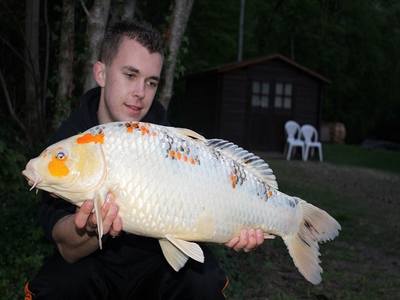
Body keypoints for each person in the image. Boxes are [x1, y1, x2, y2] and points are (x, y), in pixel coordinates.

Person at [25, 20, 265, 299]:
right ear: (101, 73)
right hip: (94, 265)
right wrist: (92, 226)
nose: (140, 92)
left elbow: (206, 206)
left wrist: (239, 223)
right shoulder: (72, 142)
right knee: (56, 287)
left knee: (204, 282)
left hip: (157, 262)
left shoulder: (170, 143)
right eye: (130, 75)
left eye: (151, 82)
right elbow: (66, 246)